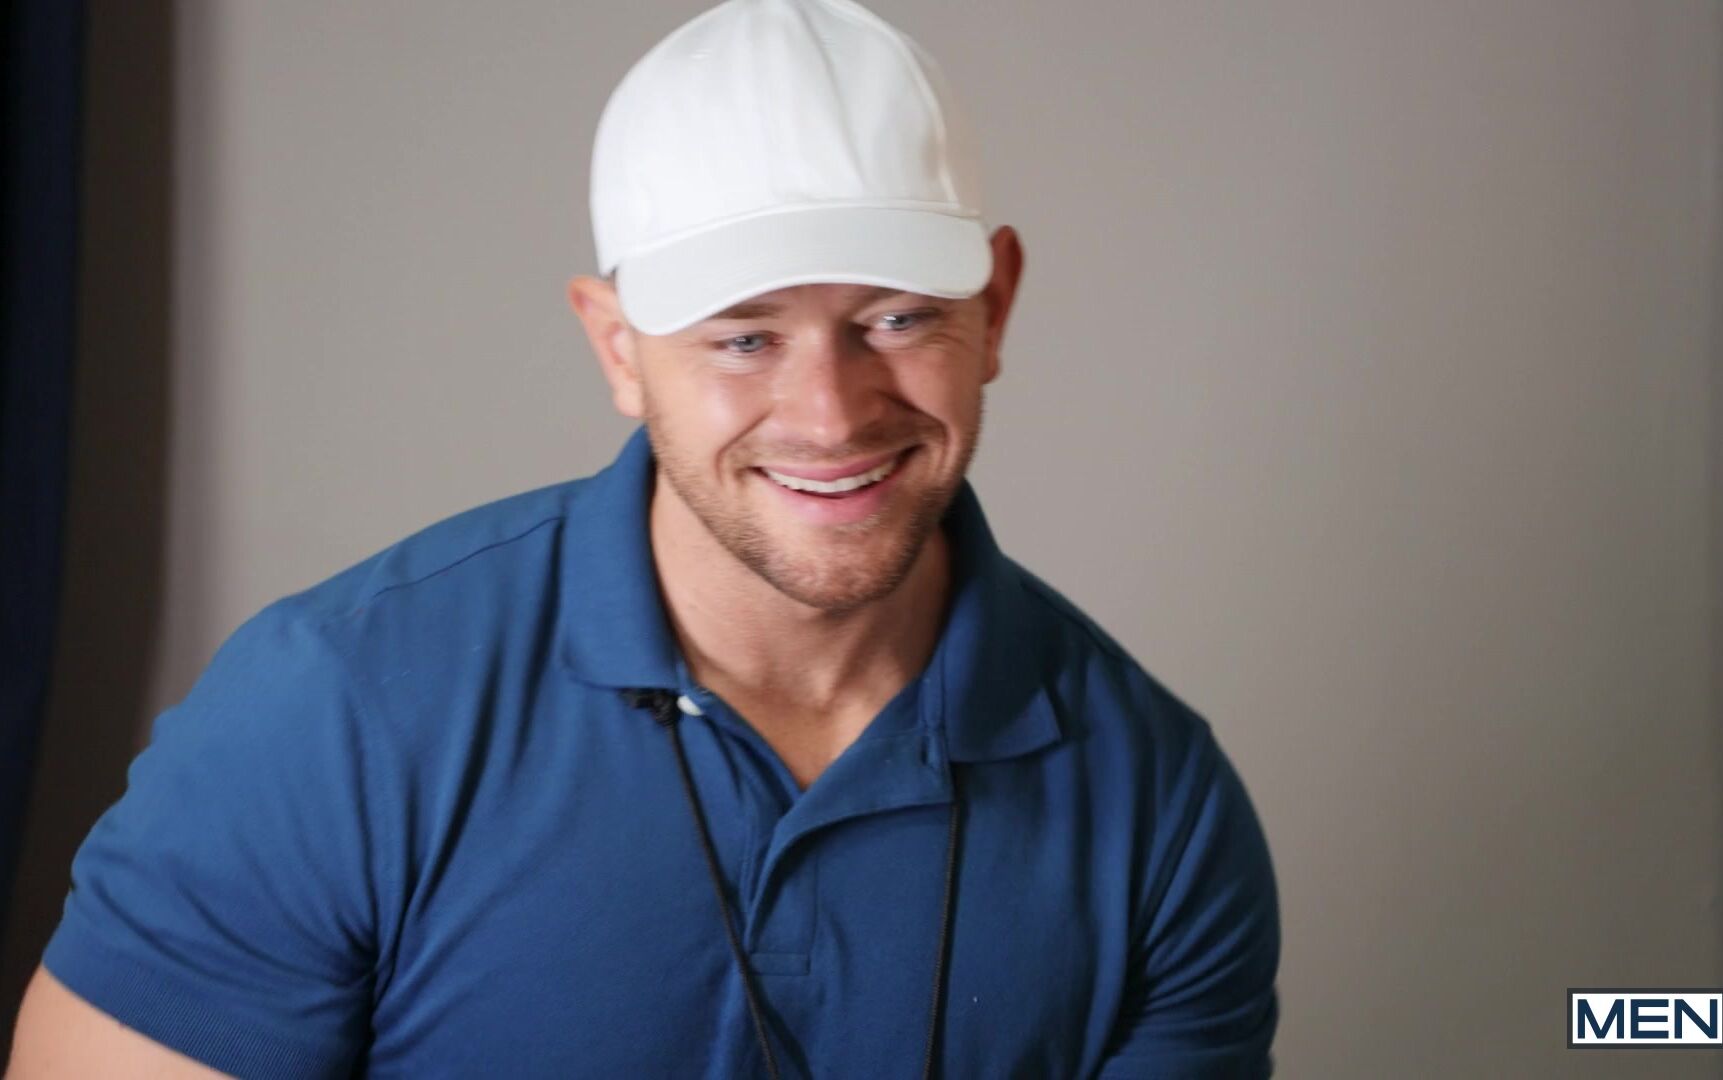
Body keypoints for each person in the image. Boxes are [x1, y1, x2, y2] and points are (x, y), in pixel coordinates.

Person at [8, 0, 1280, 1076]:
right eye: (744, 337)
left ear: (993, 308)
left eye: (896, 318)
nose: (831, 414)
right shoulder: (333, 711)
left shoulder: (1159, 804)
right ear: (618, 348)